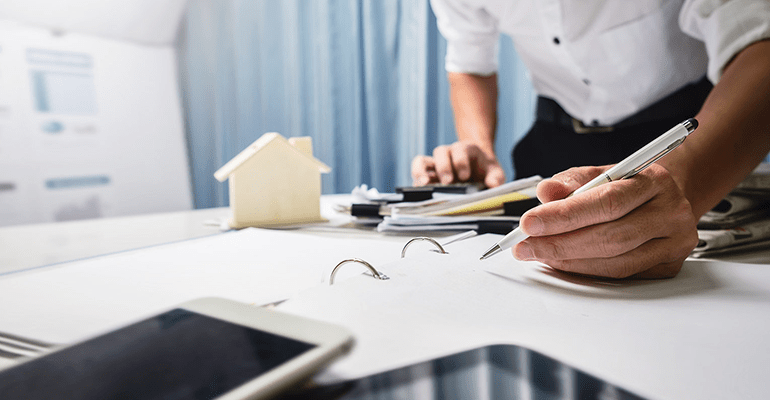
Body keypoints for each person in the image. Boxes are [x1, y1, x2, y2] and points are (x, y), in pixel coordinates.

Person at [411, 0, 770, 279]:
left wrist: (683, 182)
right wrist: (480, 147)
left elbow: (759, 43)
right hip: (553, 148)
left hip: (690, 140)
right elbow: (469, 63)